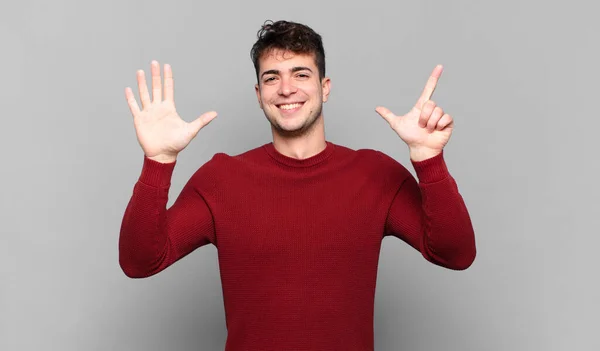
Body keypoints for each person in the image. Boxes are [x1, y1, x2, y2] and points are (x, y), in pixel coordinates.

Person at [119, 19, 476, 351]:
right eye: (272, 78)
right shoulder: (221, 180)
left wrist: (428, 160)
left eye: (300, 74)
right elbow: (140, 261)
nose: (286, 88)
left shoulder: (374, 174)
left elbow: (455, 254)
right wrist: (158, 161)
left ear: (325, 88)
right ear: (259, 95)